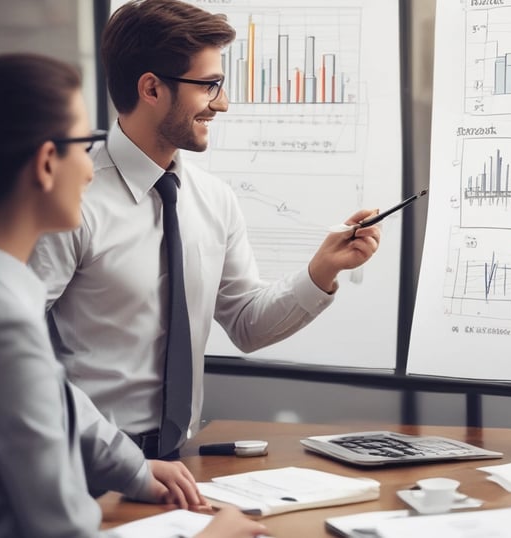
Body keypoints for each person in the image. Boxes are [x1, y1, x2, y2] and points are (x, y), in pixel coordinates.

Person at [29, 0, 382, 459]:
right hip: (85, 463)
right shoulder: (71, 199)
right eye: (209, 85)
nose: (223, 103)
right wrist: (113, 461)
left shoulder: (213, 198)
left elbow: (247, 324)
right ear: (152, 89)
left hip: (180, 458)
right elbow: (16, 355)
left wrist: (321, 271)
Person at [0, 53, 268, 537]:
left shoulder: (10, 294)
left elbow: (50, 395)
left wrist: (133, 469)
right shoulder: (7, 319)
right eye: (84, 144)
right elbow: (61, 529)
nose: (90, 167)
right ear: (44, 163)